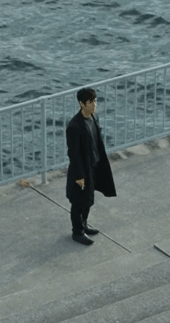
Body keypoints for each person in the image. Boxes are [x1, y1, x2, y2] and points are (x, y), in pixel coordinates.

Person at [65, 87, 116, 245]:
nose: (94, 105)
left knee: (88, 200)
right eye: (90, 102)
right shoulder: (74, 126)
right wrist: (79, 176)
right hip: (82, 170)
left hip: (94, 166)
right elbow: (73, 154)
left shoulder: (94, 117)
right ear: (82, 104)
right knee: (78, 202)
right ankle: (77, 232)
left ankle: (84, 225)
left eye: (95, 101)